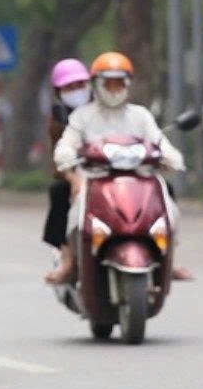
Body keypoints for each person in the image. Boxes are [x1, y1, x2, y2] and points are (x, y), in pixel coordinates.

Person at [48, 52, 191, 284]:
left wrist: (171, 158)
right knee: (76, 209)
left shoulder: (141, 115)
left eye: (119, 83)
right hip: (95, 180)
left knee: (167, 201)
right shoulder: (82, 117)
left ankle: (168, 257)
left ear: (127, 84)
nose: (114, 89)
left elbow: (160, 142)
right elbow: (66, 146)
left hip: (139, 178)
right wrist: (70, 165)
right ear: (98, 84)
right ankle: (71, 260)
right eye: (108, 83)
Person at [42, 59, 92, 259]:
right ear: (58, 92)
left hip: (112, 170)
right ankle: (67, 256)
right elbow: (60, 158)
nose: (76, 91)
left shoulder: (104, 109)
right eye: (69, 87)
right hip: (77, 172)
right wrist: (72, 178)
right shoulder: (60, 120)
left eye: (80, 85)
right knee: (60, 192)